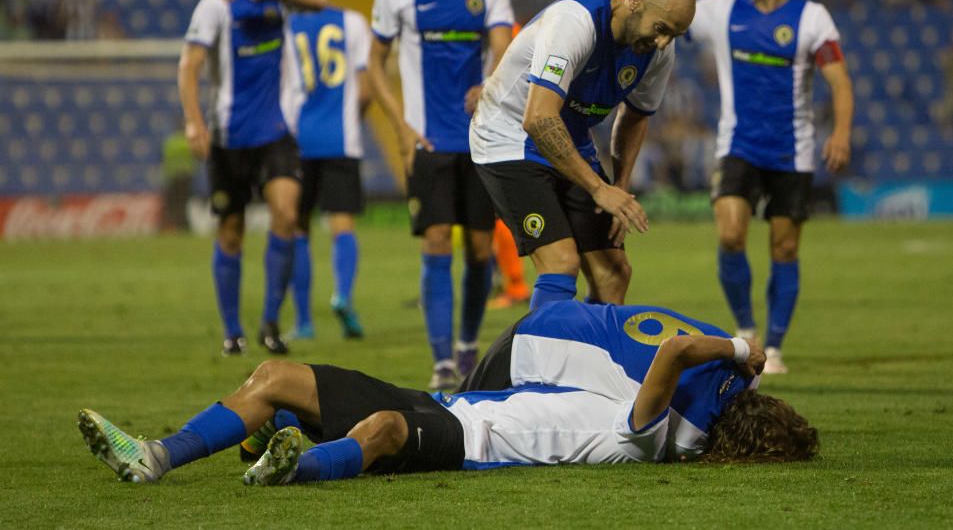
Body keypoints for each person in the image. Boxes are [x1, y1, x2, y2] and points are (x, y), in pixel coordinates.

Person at [77, 302, 819, 487]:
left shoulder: (655, 436)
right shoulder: (665, 426)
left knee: (384, 432)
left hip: (473, 443)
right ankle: (154, 456)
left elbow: (676, 348)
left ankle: (291, 469)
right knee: (274, 379)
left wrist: (741, 351)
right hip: (452, 403)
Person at [470, 0, 695, 310]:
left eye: (674, 35)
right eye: (661, 29)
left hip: (569, 138)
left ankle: (588, 362)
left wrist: (618, 186)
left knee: (614, 273)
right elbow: (539, 117)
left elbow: (635, 117)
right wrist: (598, 188)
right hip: (508, 135)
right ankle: (541, 361)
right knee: (561, 263)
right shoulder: (574, 22)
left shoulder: (659, 51)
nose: (663, 42)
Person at [686, 0, 854, 374]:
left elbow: (839, 80)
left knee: (784, 248)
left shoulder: (812, 17)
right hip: (737, 145)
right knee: (729, 235)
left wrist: (840, 133)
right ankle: (746, 331)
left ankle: (775, 347)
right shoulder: (722, 12)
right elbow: (673, 13)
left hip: (791, 151)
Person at [367, 0, 514, 390]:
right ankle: (441, 361)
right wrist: (401, 127)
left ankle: (467, 347)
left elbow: (502, 48)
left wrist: (490, 82)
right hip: (428, 140)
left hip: (479, 138)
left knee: (478, 248)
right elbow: (374, 63)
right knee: (434, 241)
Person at [178, 0, 327, 357]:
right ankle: (232, 331)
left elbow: (319, 2)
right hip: (229, 137)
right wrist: (193, 122)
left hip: (275, 134)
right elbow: (189, 66)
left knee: (285, 213)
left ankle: (270, 323)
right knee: (231, 230)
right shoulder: (216, 6)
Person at [282, 0, 370, 340]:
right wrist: (353, 119)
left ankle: (303, 321)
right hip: (341, 140)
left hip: (297, 139)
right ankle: (343, 296)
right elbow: (365, 89)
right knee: (342, 225)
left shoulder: (285, 28)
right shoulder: (352, 22)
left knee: (298, 229)